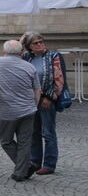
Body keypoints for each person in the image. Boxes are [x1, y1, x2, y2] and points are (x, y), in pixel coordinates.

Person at [0, 40, 39, 181]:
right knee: (24, 142)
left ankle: (23, 169)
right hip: (28, 109)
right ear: (21, 52)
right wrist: (35, 105)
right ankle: (22, 170)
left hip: (8, 110)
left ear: (5, 51)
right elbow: (37, 89)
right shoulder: (29, 66)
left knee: (6, 141)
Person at [22, 32, 65, 175]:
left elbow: (58, 79)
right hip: (31, 101)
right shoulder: (27, 57)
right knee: (34, 132)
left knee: (48, 132)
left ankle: (49, 164)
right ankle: (35, 161)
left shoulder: (53, 56)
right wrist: (22, 39)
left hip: (47, 100)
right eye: (36, 43)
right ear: (29, 47)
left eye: (41, 41)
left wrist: (51, 97)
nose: (40, 44)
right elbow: (13, 52)